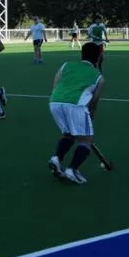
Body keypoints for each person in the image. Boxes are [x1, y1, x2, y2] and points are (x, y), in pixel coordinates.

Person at [47, 42, 106, 184]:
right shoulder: (99, 77)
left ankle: (56, 158)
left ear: (82, 54)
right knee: (86, 140)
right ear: (98, 58)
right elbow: (94, 102)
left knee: (68, 134)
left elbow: (55, 85)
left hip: (55, 102)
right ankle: (71, 170)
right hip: (76, 106)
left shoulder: (66, 65)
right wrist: (90, 118)